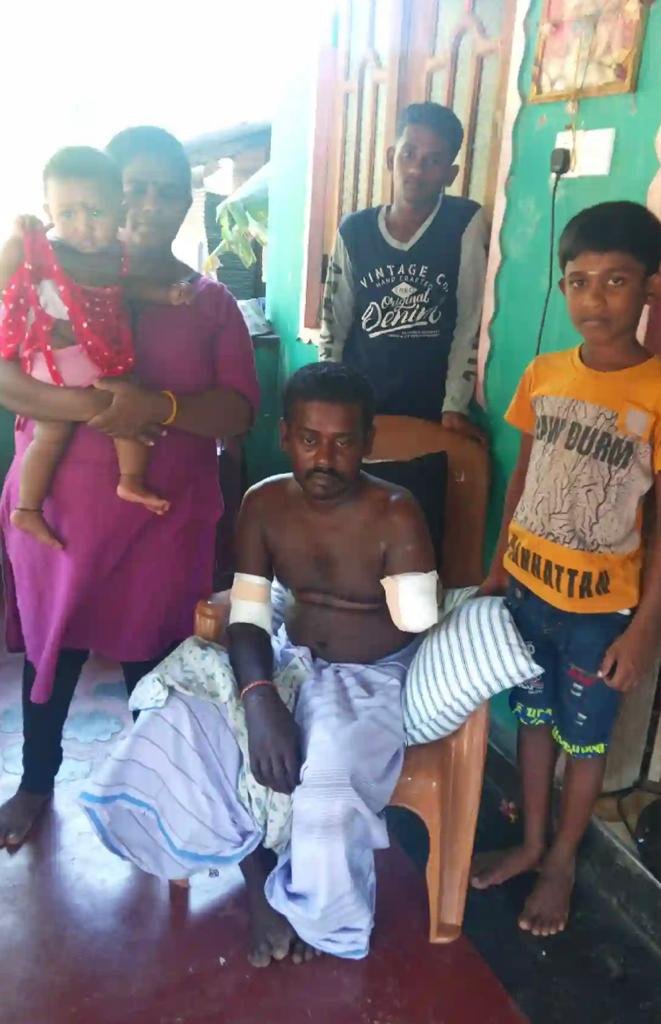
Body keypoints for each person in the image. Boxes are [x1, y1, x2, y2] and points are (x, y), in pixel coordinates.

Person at [80, 362, 439, 967]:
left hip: (367, 676)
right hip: (288, 657)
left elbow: (418, 620)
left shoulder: (396, 512)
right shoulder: (264, 503)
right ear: (285, 435)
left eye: (343, 442)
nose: (324, 459)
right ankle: (257, 878)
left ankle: (323, 920)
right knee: (186, 723)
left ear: (368, 442)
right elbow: (249, 617)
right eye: (309, 439)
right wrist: (259, 695)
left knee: (328, 789)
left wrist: (412, 569)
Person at [0, 126, 260, 848]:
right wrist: (97, 408)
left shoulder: (206, 302)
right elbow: (7, 380)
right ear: (109, 195)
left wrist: (160, 408)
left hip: (162, 520)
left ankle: (162, 791)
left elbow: (238, 412)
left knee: (158, 658)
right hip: (59, 514)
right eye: (133, 188)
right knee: (54, 647)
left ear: (186, 203)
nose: (147, 204)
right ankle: (36, 781)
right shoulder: (44, 276)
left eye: (166, 191)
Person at [473, 201, 661, 936]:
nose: (595, 299)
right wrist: (497, 567)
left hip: (599, 615)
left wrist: (643, 629)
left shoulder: (655, 390)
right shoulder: (544, 373)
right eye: (579, 281)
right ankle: (530, 842)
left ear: (649, 287)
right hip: (526, 593)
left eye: (616, 280)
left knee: (584, 741)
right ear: (562, 288)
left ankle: (561, 859)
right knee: (532, 722)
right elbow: (522, 478)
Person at [0, 146, 196, 549]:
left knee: (129, 405)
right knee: (51, 433)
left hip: (98, 361)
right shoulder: (45, 253)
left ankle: (130, 481)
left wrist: (166, 294)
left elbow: (129, 287)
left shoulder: (113, 257)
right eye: (67, 213)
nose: (82, 226)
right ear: (48, 212)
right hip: (56, 365)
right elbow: (4, 278)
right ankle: (27, 508)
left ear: (118, 210)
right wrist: (17, 240)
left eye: (94, 213)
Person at [319, 102, 487, 440]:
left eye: (433, 161)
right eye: (408, 154)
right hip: (361, 407)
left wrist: (455, 405)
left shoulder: (464, 222)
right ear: (390, 157)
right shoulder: (355, 231)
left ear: (450, 174)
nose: (416, 170)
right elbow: (334, 321)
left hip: (431, 410)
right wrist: (329, 398)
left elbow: (470, 319)